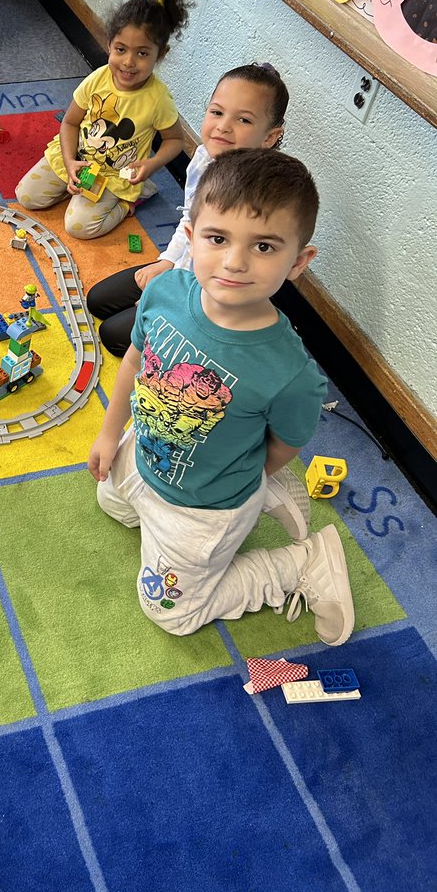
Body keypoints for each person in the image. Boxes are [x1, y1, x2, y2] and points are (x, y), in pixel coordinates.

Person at [88, 148, 354, 646]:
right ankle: (258, 490)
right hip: (141, 450)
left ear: (298, 262)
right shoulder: (164, 292)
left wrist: (245, 479)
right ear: (190, 237)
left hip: (206, 506)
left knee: (170, 611)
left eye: (264, 246)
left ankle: (303, 562)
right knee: (113, 505)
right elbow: (134, 363)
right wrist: (108, 433)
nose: (234, 261)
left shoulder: (290, 374)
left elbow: (286, 443)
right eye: (218, 238)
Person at [87, 62, 289, 355]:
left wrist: (166, 295)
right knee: (98, 300)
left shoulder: (254, 197)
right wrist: (167, 263)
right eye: (217, 112)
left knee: (112, 336)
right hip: (185, 270)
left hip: (212, 294)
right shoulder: (205, 158)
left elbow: (221, 268)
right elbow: (190, 220)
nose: (223, 126)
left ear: (269, 137)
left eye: (244, 120)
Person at [14, 0, 189, 239]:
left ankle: (132, 199)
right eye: (121, 49)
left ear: (161, 54)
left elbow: (175, 141)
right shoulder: (97, 78)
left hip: (115, 174)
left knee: (78, 227)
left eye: (142, 53)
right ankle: (74, 187)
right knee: (27, 196)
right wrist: (70, 162)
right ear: (109, 44)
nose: (128, 62)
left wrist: (152, 163)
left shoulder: (158, 98)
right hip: (79, 157)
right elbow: (70, 122)